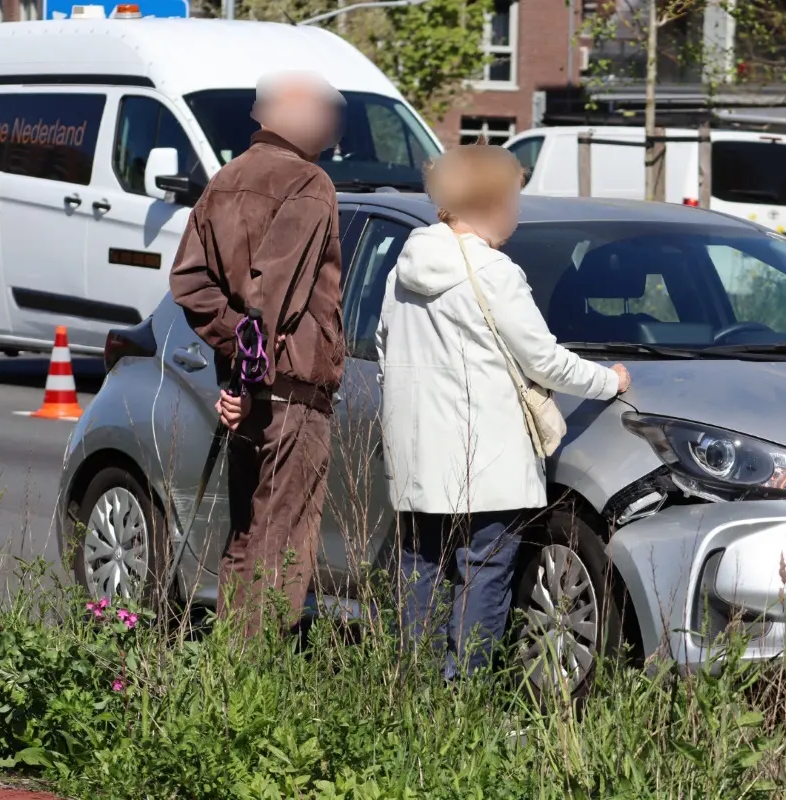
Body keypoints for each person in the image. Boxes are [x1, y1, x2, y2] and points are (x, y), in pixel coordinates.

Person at [374, 145, 631, 680]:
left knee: (419, 566)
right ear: (490, 202)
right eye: (513, 198)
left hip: (419, 453)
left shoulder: (404, 266)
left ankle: (413, 687)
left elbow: (384, 348)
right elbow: (544, 360)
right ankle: (463, 694)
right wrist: (610, 381)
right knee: (484, 572)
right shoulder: (494, 272)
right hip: (487, 458)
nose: (517, 209)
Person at [169, 71, 347, 637]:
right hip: (287, 392)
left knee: (248, 535)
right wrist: (250, 374)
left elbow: (190, 283)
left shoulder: (225, 180)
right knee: (282, 541)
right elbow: (272, 291)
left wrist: (236, 359)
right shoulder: (310, 183)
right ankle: (255, 672)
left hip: (247, 387)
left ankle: (230, 667)